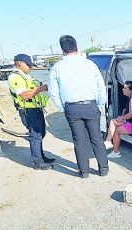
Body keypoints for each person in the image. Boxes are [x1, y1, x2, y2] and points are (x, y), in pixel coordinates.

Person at [48, 35, 109, 178]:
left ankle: (84, 172)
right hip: (91, 105)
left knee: (79, 140)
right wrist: (100, 104)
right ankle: (103, 169)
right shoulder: (90, 64)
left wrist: (63, 108)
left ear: (62, 49)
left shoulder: (57, 67)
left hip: (72, 108)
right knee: (96, 138)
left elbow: (53, 92)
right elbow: (101, 86)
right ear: (77, 47)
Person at [8, 54, 55, 170]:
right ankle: (38, 162)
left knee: (40, 134)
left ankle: (41, 156)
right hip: (28, 111)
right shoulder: (15, 77)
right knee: (35, 136)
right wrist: (41, 88)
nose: (31, 67)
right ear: (19, 63)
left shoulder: (27, 76)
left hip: (36, 109)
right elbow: (24, 95)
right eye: (28, 65)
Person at [105, 81, 132, 158]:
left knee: (116, 129)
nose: (123, 89)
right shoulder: (130, 99)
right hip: (129, 122)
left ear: (131, 90)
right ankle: (108, 142)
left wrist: (121, 118)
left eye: (125, 88)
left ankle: (115, 151)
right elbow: (126, 112)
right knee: (113, 122)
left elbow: (130, 115)